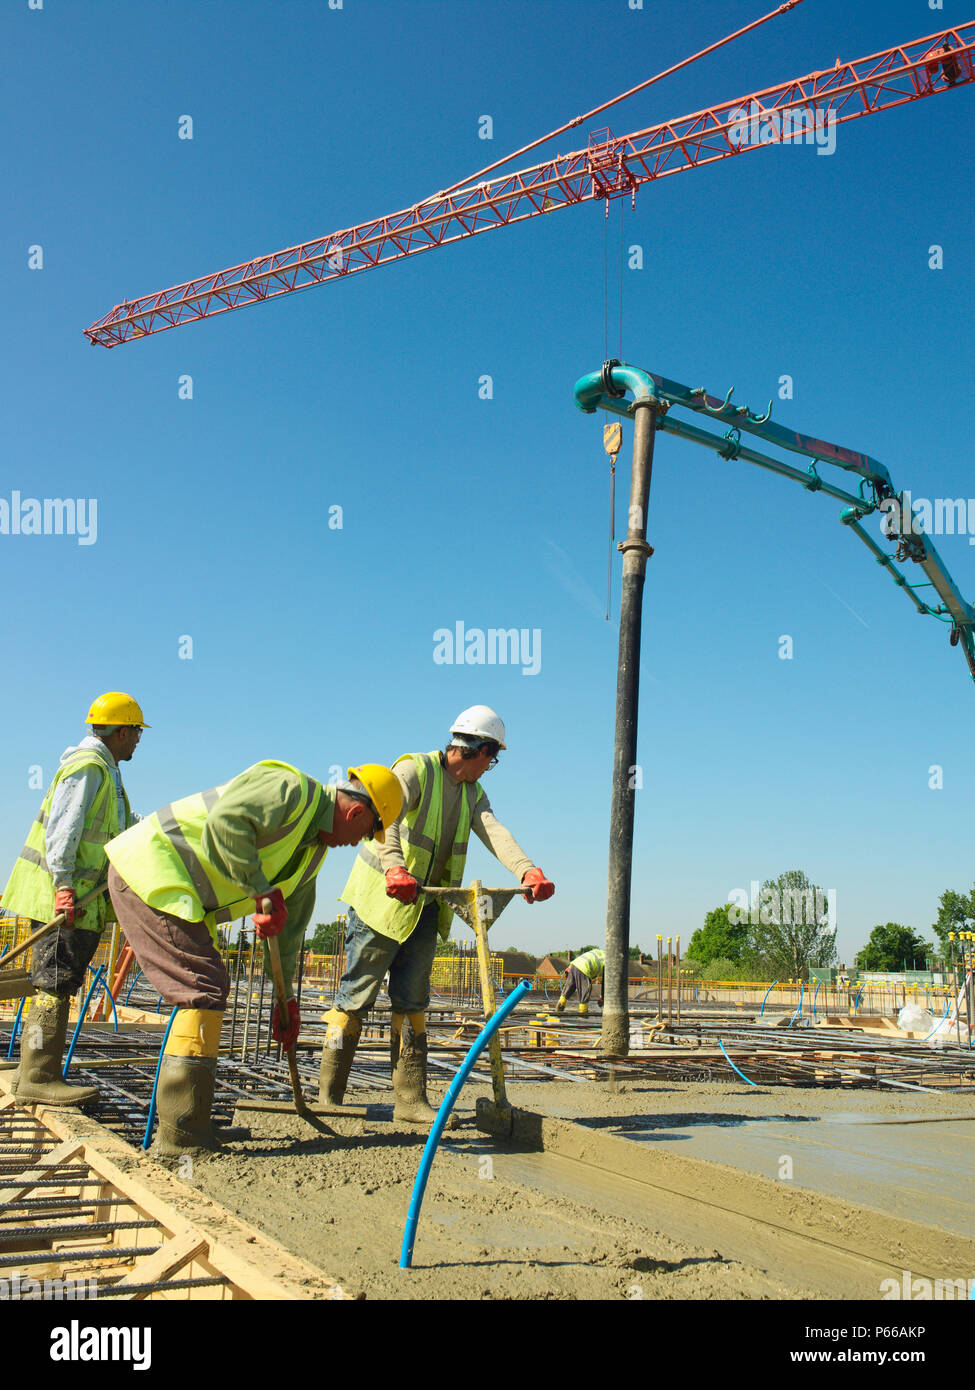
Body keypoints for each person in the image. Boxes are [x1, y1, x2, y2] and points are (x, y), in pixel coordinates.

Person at [104, 760, 402, 1156]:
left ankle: (193, 1125)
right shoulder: (289, 788)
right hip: (149, 869)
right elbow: (225, 824)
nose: (359, 842)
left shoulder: (311, 854)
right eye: (366, 834)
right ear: (356, 812)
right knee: (202, 987)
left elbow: (289, 929)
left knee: (209, 985)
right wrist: (261, 890)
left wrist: (287, 1001)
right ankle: (181, 1138)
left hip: (176, 890)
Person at [320, 706, 555, 1122]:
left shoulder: (472, 793)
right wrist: (394, 866)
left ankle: (410, 1102)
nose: (490, 767)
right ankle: (329, 1095)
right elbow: (386, 821)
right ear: (480, 749)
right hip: (381, 903)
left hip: (427, 905)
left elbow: (494, 831)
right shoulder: (414, 770)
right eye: (492, 758)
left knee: (413, 1002)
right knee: (354, 998)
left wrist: (527, 869)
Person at [1, 693, 148, 1105]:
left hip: (80, 899)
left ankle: (36, 1073)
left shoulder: (106, 770)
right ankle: (38, 1077)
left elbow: (117, 824)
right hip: (64, 899)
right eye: (136, 733)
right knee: (53, 983)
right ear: (122, 732)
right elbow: (63, 831)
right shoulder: (88, 768)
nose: (138, 741)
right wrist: (63, 886)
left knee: (58, 982)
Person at [557, 946, 605, 1015]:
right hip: (584, 968)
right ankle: (583, 1013)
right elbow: (605, 983)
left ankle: (559, 1008)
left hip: (574, 965)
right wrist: (603, 998)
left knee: (569, 988)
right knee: (585, 991)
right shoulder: (609, 962)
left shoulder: (601, 953)